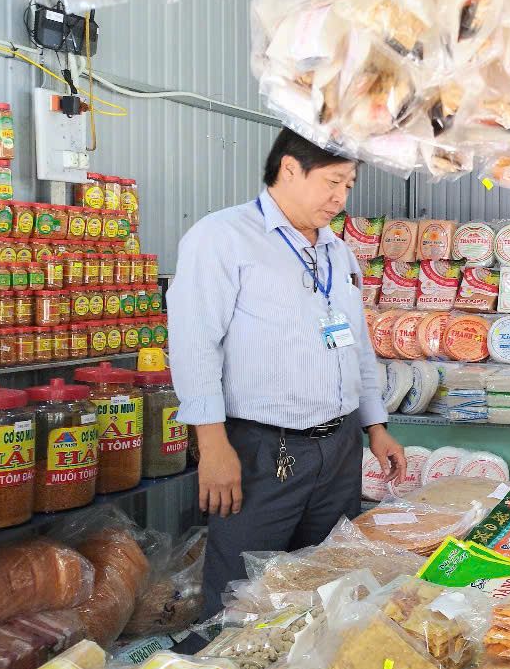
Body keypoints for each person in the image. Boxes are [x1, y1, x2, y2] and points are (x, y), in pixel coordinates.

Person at [169, 128, 407, 627]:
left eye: (349, 184)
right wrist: (212, 444)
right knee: (241, 597)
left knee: (327, 584)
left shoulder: (335, 252)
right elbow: (194, 346)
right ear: (290, 168)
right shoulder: (222, 238)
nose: (341, 198)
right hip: (262, 451)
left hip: (338, 449)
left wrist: (375, 426)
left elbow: (355, 345)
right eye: (333, 182)